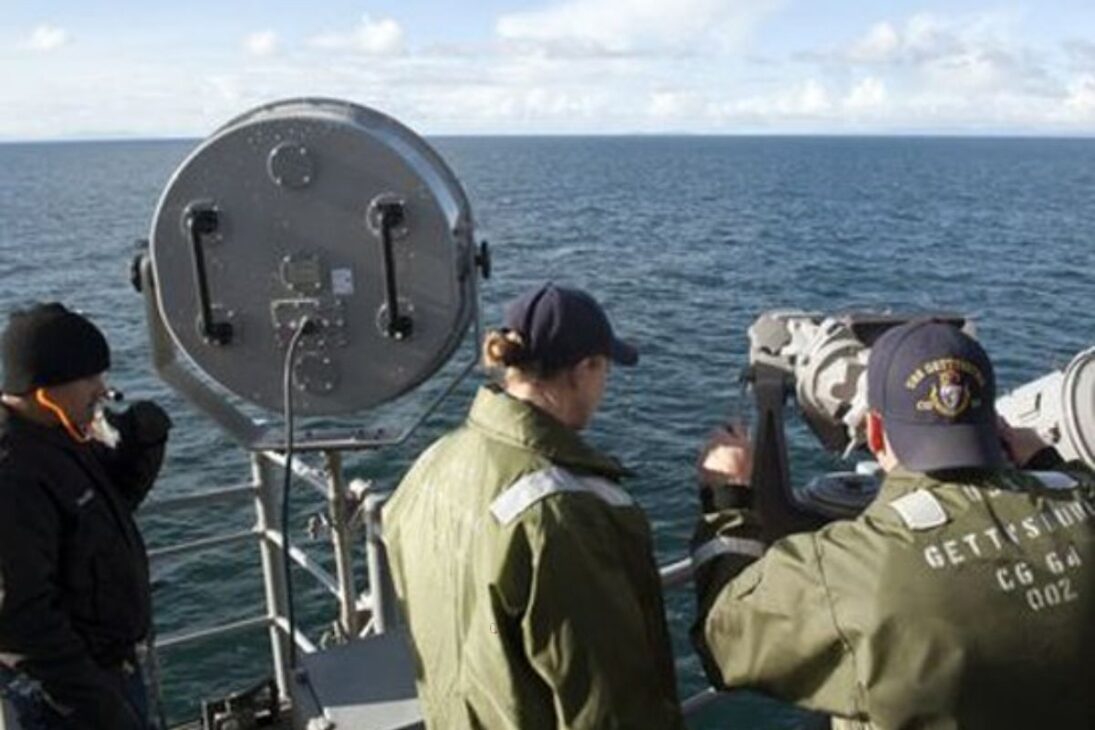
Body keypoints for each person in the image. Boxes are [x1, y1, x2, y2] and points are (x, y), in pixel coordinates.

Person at [691, 320, 1094, 729]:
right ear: (995, 425)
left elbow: (724, 640)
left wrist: (727, 499)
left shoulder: (850, 571)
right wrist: (1045, 463)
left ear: (876, 432)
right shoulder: (1082, 503)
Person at [382, 283, 685, 729]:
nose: (605, 385)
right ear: (584, 370)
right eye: (604, 369)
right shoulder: (560, 513)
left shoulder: (432, 463)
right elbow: (607, 706)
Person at [0, 304, 172, 730]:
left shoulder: (56, 436)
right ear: (44, 390)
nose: (102, 389)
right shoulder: (12, 475)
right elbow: (22, 621)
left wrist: (142, 449)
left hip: (106, 674)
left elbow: (102, 516)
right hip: (66, 700)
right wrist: (101, 709)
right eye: (90, 377)